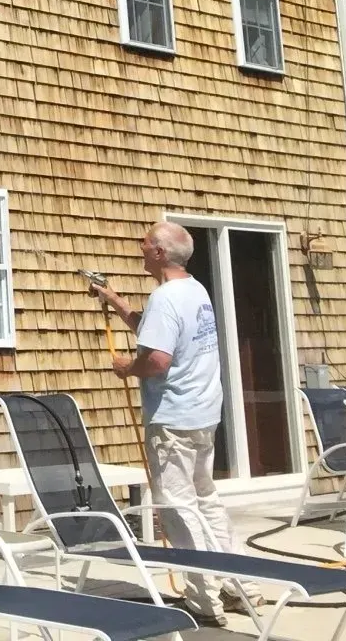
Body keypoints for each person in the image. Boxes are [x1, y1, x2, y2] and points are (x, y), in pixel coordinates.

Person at [90, 221, 242, 626]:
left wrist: (127, 367)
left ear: (159, 253)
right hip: (204, 414)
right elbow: (161, 334)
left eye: (145, 244)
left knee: (178, 507)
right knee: (206, 499)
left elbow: (157, 360)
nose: (140, 248)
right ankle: (238, 584)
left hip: (174, 419)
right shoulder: (196, 291)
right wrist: (117, 302)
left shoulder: (163, 298)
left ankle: (204, 596)